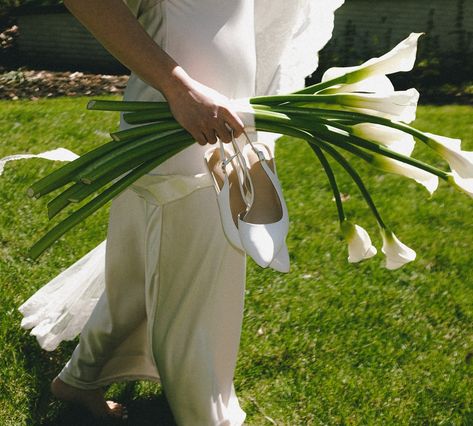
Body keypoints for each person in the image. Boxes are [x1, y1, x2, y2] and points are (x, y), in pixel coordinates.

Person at [13, 1, 345, 424]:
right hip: (178, 119)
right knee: (197, 289)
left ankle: (82, 378)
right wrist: (180, 89)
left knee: (141, 270)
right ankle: (204, 417)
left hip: (203, 124)